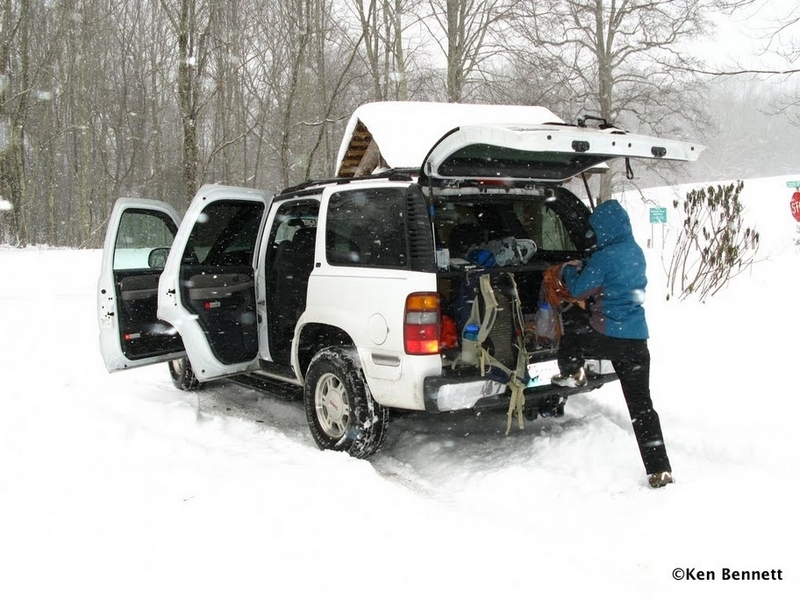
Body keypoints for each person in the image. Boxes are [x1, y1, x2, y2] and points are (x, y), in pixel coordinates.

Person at [551, 199, 674, 489]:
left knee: (571, 330)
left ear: (604, 229)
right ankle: (660, 469)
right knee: (642, 407)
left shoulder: (605, 257)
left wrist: (568, 270)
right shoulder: (635, 251)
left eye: (595, 230)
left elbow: (580, 288)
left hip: (609, 336)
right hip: (637, 341)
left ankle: (573, 371)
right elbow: (614, 279)